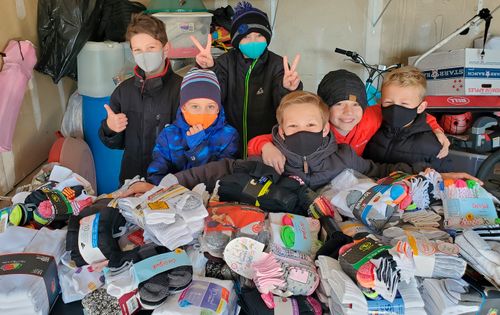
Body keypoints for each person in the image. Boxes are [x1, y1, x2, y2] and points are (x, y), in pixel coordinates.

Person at [248, 69, 449, 174]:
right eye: (338, 104)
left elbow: (408, 112)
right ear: (325, 111)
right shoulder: (314, 128)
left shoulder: (371, 116)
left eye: (355, 105)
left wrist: (437, 129)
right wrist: (266, 147)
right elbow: (265, 138)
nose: (348, 113)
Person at [191, 1, 302, 158]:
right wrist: (208, 69)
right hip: (227, 145)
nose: (254, 41)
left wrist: (290, 90)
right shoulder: (224, 62)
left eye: (259, 35)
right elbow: (213, 98)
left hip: (266, 146)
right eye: (247, 37)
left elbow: (287, 109)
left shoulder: (278, 65)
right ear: (237, 40)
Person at [98, 13, 182, 184]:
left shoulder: (181, 89)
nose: (144, 54)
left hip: (170, 183)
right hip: (131, 180)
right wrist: (110, 128)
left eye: (151, 48)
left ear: (165, 49)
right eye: (138, 50)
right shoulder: (124, 90)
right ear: (132, 53)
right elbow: (114, 142)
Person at [147, 68, 239, 185]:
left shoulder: (229, 136)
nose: (202, 113)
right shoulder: (169, 135)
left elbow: (223, 177)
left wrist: (199, 149)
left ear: (218, 108)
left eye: (210, 107)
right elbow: (156, 173)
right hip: (173, 198)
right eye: (195, 107)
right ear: (183, 107)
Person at [363, 66, 454, 171]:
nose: (395, 109)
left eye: (404, 104)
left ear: (421, 107)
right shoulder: (372, 130)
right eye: (388, 102)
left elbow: (444, 178)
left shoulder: (433, 145)